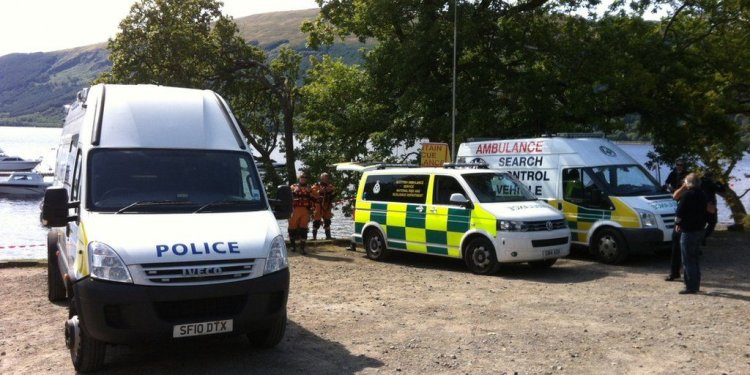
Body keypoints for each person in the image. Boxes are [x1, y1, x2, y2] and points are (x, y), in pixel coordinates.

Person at [674, 173, 708, 294]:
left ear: (688, 183)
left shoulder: (688, 195)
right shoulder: (702, 195)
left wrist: (677, 223)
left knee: (687, 259)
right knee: (694, 258)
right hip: (699, 229)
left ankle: (690, 286)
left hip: (688, 229)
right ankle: (696, 284)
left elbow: (679, 211)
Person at [288, 172, 313, 254]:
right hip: (295, 210)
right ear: (299, 179)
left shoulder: (310, 188)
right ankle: (292, 246)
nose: (303, 179)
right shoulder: (293, 187)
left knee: (304, 229)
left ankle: (302, 248)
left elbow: (315, 198)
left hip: (305, 210)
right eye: (301, 178)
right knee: (292, 228)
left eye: (304, 178)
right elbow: (289, 196)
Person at [700, 171, 725, 245]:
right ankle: (703, 237)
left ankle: (700, 238)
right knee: (712, 222)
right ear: (711, 177)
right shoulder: (711, 183)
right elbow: (722, 190)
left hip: (700, 204)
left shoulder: (699, 182)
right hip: (710, 205)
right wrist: (720, 183)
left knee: (702, 223)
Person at [311, 172, 336, 240]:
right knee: (316, 221)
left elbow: (334, 193)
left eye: (326, 178)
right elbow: (313, 194)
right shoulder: (316, 186)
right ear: (321, 178)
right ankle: (314, 237)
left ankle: (328, 237)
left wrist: (330, 194)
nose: (325, 179)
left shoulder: (330, 186)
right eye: (324, 177)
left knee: (327, 220)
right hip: (318, 205)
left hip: (327, 205)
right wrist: (320, 192)